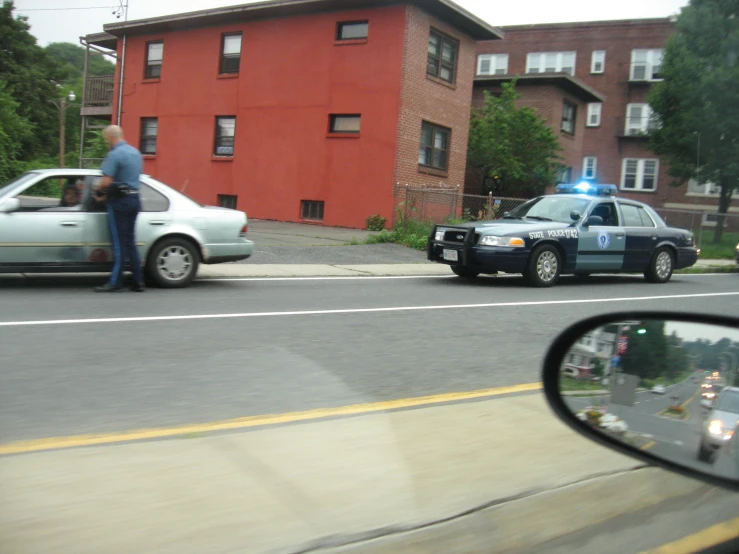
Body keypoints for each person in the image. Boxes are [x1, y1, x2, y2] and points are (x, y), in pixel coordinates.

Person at [94, 125, 145, 292]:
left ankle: (115, 282)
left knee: (119, 243)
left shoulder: (114, 154)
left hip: (119, 202)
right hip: (134, 199)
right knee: (131, 241)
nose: (106, 141)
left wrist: (99, 192)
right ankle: (138, 281)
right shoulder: (136, 153)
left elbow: (106, 182)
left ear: (109, 137)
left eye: (105, 139)